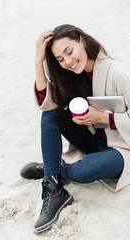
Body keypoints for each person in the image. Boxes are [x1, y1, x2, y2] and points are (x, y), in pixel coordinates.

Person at [20, 24, 130, 233]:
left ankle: (53, 169)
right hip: (94, 141)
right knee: (51, 114)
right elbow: (48, 102)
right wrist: (39, 61)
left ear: (82, 40)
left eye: (69, 52)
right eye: (60, 59)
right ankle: (53, 187)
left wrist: (103, 118)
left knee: (83, 171)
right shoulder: (71, 75)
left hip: (122, 149)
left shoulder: (117, 74)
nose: (68, 62)